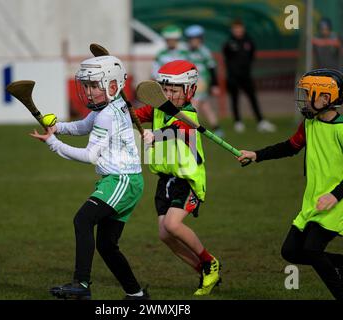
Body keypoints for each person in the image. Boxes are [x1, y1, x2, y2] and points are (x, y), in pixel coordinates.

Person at [30, 55, 149, 300]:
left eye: (94, 85)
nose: (88, 91)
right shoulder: (108, 108)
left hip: (122, 180)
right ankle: (136, 295)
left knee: (83, 220)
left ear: (113, 86)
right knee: (106, 245)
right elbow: (84, 127)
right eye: (86, 85)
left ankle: (81, 285)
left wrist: (53, 143)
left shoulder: (108, 114)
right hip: (123, 180)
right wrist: (58, 128)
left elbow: (90, 155)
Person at [237, 68, 343, 300]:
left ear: (326, 98)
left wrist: (335, 195)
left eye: (308, 94)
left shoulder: (341, 129)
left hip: (336, 203)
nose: (304, 100)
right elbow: (290, 147)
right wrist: (256, 154)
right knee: (291, 252)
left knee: (313, 250)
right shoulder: (309, 124)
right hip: (313, 202)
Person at [135, 60, 221, 296]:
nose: (170, 94)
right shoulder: (157, 109)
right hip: (166, 181)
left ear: (190, 90)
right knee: (165, 234)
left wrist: (156, 135)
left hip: (188, 180)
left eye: (175, 90)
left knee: (173, 225)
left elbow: (177, 129)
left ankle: (209, 262)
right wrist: (121, 112)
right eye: (166, 89)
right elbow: (136, 115)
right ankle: (204, 270)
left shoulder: (189, 114)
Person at [223, 19, 276, 133]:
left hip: (246, 76)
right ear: (232, 30)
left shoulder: (249, 42)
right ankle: (238, 122)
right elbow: (227, 59)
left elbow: (251, 56)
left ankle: (261, 122)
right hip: (233, 77)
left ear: (243, 29)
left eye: (239, 28)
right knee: (235, 99)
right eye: (235, 29)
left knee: (253, 98)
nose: (238, 31)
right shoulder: (229, 43)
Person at [185, 25, 223, 137]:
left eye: (195, 39)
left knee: (194, 104)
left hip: (201, 81)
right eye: (190, 39)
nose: (193, 41)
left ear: (200, 39)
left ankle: (191, 127)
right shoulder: (186, 51)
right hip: (191, 82)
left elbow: (212, 68)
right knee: (206, 105)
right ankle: (216, 127)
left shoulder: (204, 51)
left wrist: (215, 85)